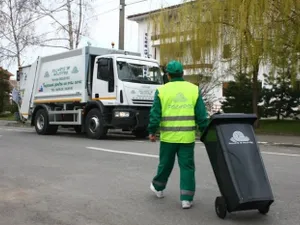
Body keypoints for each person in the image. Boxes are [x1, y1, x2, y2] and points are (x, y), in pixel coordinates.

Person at [148, 60, 209, 209]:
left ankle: (158, 188)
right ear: (182, 73)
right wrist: (206, 132)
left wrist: (152, 131)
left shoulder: (162, 91)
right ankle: (186, 199)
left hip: (168, 138)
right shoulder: (193, 89)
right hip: (187, 138)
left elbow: (155, 114)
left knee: (165, 165)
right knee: (187, 167)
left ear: (168, 75)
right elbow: (202, 115)